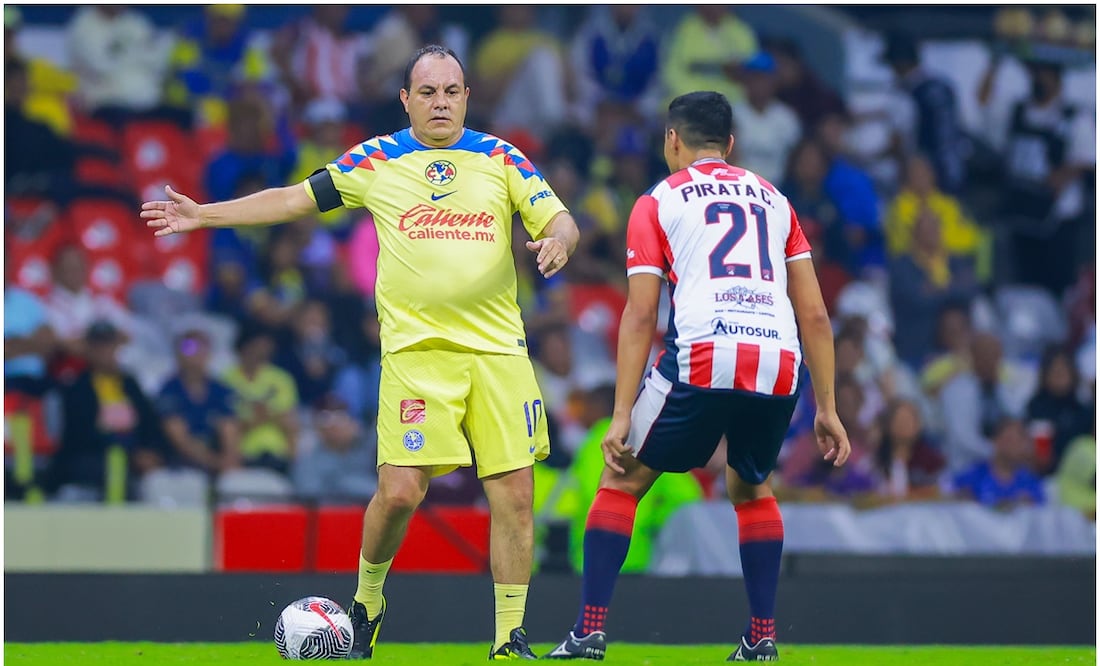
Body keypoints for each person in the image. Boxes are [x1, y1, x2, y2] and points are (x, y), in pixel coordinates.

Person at [141, 45, 580, 660]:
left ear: (466, 97)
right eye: (427, 93)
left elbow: (561, 220)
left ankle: (510, 637)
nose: (441, 103)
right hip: (417, 355)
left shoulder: (500, 157)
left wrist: (558, 241)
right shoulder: (376, 158)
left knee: (514, 497)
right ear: (406, 99)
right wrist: (204, 216)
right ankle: (368, 601)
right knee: (400, 492)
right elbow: (294, 198)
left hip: (499, 354)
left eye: (451, 91)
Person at [544, 91, 849, 662]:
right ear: (731, 145)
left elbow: (639, 315)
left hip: (706, 352)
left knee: (622, 481)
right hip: (779, 363)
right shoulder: (776, 200)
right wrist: (828, 408)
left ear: (672, 141)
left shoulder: (657, 201)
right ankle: (761, 638)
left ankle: (588, 633)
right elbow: (813, 313)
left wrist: (619, 414)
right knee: (751, 487)